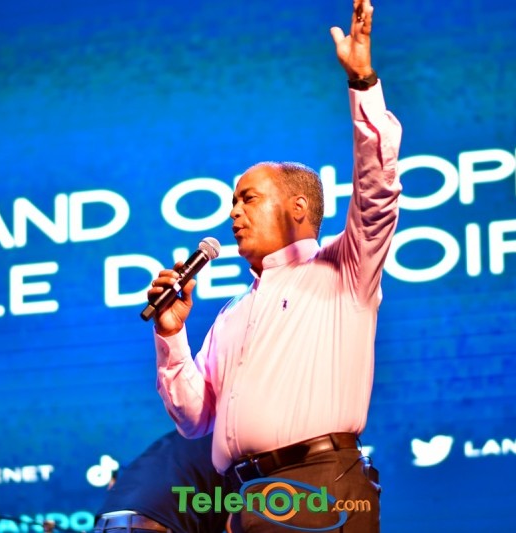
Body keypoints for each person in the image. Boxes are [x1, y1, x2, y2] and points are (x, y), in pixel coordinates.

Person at [148, 0, 401, 530]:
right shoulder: (233, 313)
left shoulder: (343, 269)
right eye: (231, 203)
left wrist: (362, 83)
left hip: (320, 485)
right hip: (241, 499)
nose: (234, 213)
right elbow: (194, 420)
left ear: (298, 208)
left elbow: (377, 191)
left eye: (249, 199)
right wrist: (171, 335)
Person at [93, 431, 229, 533]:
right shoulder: (230, 439)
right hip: (152, 524)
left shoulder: (185, 436)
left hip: (105, 524)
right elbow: (235, 525)